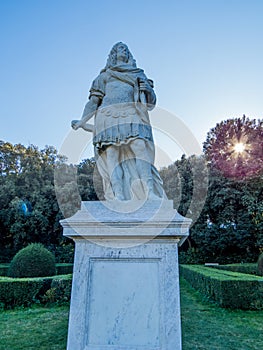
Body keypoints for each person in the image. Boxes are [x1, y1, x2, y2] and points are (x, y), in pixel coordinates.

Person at [72, 42, 165, 201]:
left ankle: (150, 192)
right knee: (112, 154)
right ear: (112, 55)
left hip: (132, 113)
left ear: (129, 54)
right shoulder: (104, 76)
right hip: (108, 115)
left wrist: (148, 89)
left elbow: (150, 104)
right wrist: (82, 120)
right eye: (117, 49)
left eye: (124, 49)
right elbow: (93, 102)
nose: (121, 50)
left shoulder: (138, 74)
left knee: (139, 147)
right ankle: (118, 195)